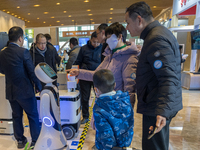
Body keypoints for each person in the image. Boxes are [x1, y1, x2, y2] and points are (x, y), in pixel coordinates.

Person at [125, 2, 182, 150]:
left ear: (139, 19)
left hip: (156, 106)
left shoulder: (156, 39)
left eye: (128, 22)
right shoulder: (158, 34)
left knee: (154, 146)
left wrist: (162, 111)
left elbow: (168, 77)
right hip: (156, 103)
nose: (127, 27)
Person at [69, 22, 139, 108]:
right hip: (104, 105)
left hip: (116, 108)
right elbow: (97, 75)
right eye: (107, 37)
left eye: (109, 37)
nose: (107, 40)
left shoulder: (129, 58)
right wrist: (79, 73)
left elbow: (130, 89)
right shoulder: (109, 56)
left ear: (120, 37)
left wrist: (126, 113)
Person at [0, 26, 42, 149]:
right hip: (25, 91)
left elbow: (2, 70)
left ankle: (20, 140)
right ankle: (35, 140)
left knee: (16, 116)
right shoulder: (23, 52)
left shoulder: (2, 53)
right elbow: (31, 71)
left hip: (11, 91)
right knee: (33, 115)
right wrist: (39, 86)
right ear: (20, 38)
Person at [92, 69, 134, 150]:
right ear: (114, 85)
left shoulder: (99, 108)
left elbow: (106, 136)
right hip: (126, 142)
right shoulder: (125, 99)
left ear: (96, 89)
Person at [75, 31, 102, 124]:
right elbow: (78, 61)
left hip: (97, 76)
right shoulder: (83, 49)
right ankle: (85, 116)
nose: (96, 44)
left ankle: (100, 116)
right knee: (85, 97)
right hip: (85, 76)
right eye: (94, 42)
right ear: (91, 40)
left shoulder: (102, 48)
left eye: (98, 42)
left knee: (99, 96)